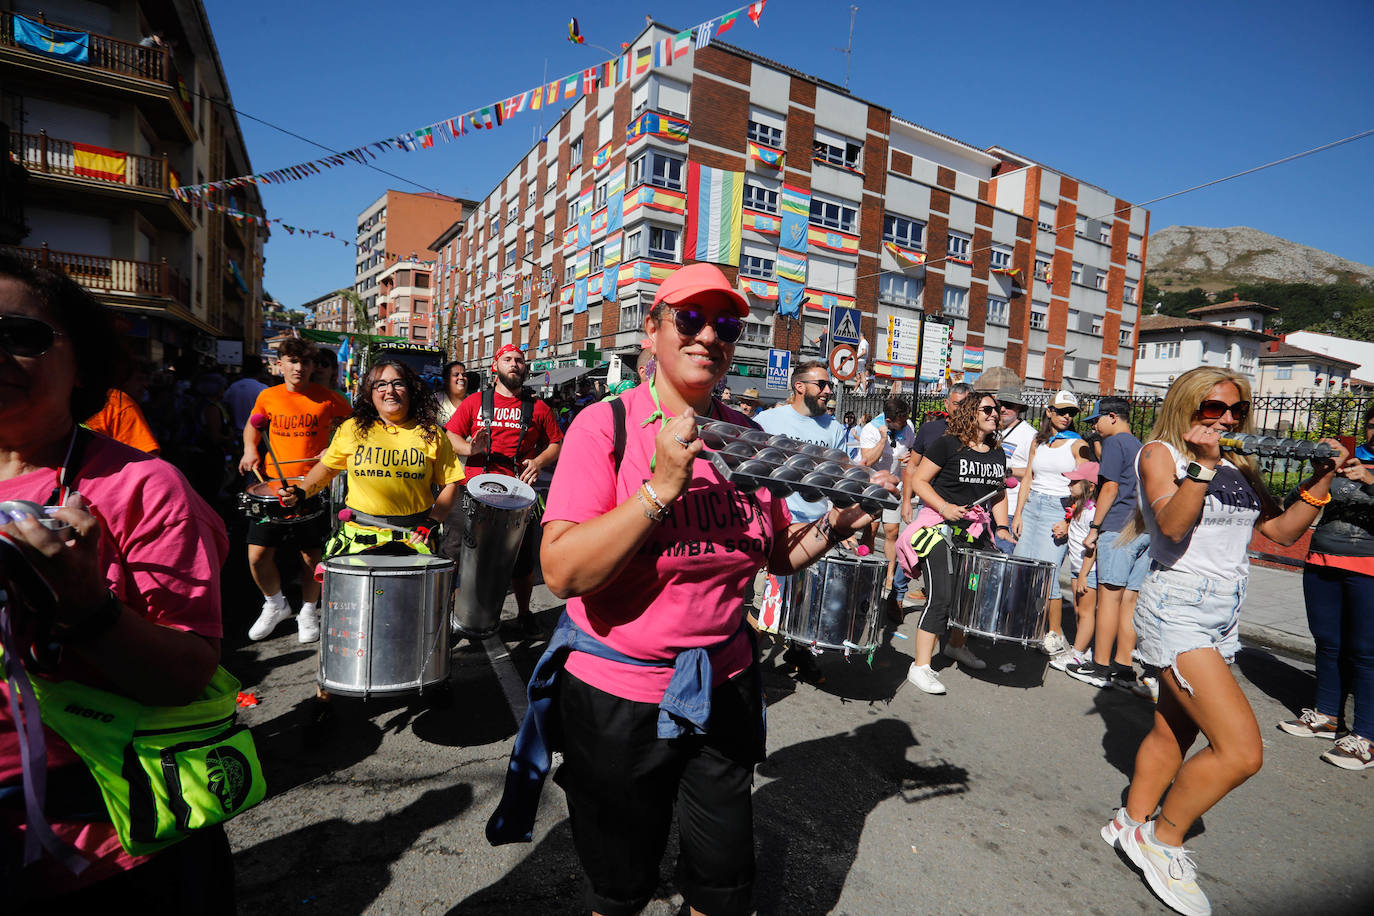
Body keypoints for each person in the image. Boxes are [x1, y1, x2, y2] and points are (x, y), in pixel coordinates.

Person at [510, 263, 885, 915]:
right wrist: (659, 489)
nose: (709, 334)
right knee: (620, 892)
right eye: (690, 318)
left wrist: (836, 522)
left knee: (723, 886)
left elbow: (776, 554)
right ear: (651, 332)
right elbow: (562, 573)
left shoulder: (750, 439)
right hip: (618, 698)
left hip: (722, 689)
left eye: (727, 324)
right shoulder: (608, 428)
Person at [0, 254, 233, 906]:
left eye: (21, 337)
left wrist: (83, 602)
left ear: (81, 363)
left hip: (109, 842)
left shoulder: (140, 486)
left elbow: (187, 672)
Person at [1102, 366, 1346, 916]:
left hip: (1222, 613)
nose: (1226, 419)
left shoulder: (1239, 463)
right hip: (1180, 607)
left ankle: (1129, 821)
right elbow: (1169, 528)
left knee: (1174, 731)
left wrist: (1323, 477)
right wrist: (1203, 466)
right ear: (1187, 404)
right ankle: (1162, 841)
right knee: (1241, 752)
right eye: (1213, 407)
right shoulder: (1161, 454)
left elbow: (1280, 533)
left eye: (1235, 410)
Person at [1278, 403, 1374, 770]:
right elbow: (1293, 503)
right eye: (1370, 424)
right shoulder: (1346, 459)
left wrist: (1368, 480)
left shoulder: (1364, 470)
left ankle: (1367, 736)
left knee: (1366, 653)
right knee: (1328, 643)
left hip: (1368, 571)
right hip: (1322, 563)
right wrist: (1322, 471)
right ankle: (1326, 715)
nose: (1372, 432)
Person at [237, 339, 351, 644]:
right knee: (258, 556)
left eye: (305, 362)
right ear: (280, 364)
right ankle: (275, 604)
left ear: (313, 366)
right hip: (273, 485)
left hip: (311, 484)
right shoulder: (268, 396)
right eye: (292, 361)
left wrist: (332, 446)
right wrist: (250, 449)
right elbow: (252, 425)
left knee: (311, 554)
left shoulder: (327, 397)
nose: (299, 368)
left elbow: (353, 425)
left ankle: (308, 610)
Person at [446, 345, 563, 635]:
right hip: (472, 490)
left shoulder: (538, 408)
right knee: (453, 554)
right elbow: (450, 436)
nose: (515, 364)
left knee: (521, 559)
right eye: (508, 360)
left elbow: (556, 443)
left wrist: (538, 461)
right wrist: (470, 448)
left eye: (519, 360)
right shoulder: (475, 402)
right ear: (495, 367)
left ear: (525, 368)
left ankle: (524, 614)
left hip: (517, 496)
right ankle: (448, 616)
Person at [901, 391, 1010, 694]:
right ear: (972, 412)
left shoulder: (996, 452)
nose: (994, 414)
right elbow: (920, 480)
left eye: (997, 410)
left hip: (974, 532)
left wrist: (1002, 527)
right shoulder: (947, 444)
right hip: (938, 529)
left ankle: (955, 646)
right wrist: (944, 507)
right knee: (942, 596)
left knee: (970, 595)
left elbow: (998, 494)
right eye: (988, 408)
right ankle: (920, 666)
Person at [1067, 397, 1153, 694]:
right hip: (1143, 529)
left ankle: (1100, 665)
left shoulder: (1116, 444)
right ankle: (1124, 667)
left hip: (1117, 527)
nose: (1096, 428)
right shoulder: (1141, 446)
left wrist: (1094, 527)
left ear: (1113, 417)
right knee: (1130, 603)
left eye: (1098, 421)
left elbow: (1110, 487)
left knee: (1109, 599)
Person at [1012, 390, 1090, 655]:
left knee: (1049, 574)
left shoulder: (1078, 445)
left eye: (1072, 413)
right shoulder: (1038, 441)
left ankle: (1054, 634)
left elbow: (1088, 485)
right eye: (1062, 411)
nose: (1067, 417)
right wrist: (1019, 513)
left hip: (1058, 508)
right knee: (1023, 569)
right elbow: (1028, 479)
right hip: (1032, 505)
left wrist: (1069, 521)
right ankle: (1028, 625)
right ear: (1049, 412)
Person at [755, 360, 847, 524]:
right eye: (821, 384)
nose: (827, 391)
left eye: (829, 385)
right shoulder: (766, 420)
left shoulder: (835, 429)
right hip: (770, 518)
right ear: (800, 386)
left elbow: (839, 480)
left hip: (814, 523)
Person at [861, 397, 916, 611]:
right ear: (889, 419)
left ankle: (890, 575)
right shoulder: (871, 429)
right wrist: (883, 438)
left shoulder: (908, 426)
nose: (905, 424)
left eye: (906, 420)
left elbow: (912, 450)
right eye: (900, 421)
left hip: (896, 486)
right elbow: (867, 460)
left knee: (892, 531)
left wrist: (910, 456)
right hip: (873, 486)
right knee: (870, 530)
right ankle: (868, 569)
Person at [1050, 463, 1100, 674]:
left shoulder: (1093, 512)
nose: (1069, 485)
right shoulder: (1080, 507)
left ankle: (1078, 653)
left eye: (1074, 482)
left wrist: (1084, 575)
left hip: (1088, 570)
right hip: (1077, 567)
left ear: (1090, 486)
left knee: (1087, 613)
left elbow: (1093, 546)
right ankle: (1084, 650)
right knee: (1079, 611)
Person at [994, 386, 1036, 521]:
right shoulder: (992, 429)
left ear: (1018, 407)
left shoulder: (1030, 435)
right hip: (989, 505)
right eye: (999, 405)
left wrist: (1007, 471)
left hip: (1011, 508)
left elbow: (1035, 472)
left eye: (1008, 405)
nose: (1002, 409)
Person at [224, 355, 269, 433]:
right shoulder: (264, 389)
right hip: (257, 435)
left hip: (235, 434)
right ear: (260, 370)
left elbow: (226, 408)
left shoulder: (233, 387)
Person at [436, 359, 468, 427]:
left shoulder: (474, 401)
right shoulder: (434, 401)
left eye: (464, 375)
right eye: (456, 375)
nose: (461, 377)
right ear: (446, 380)